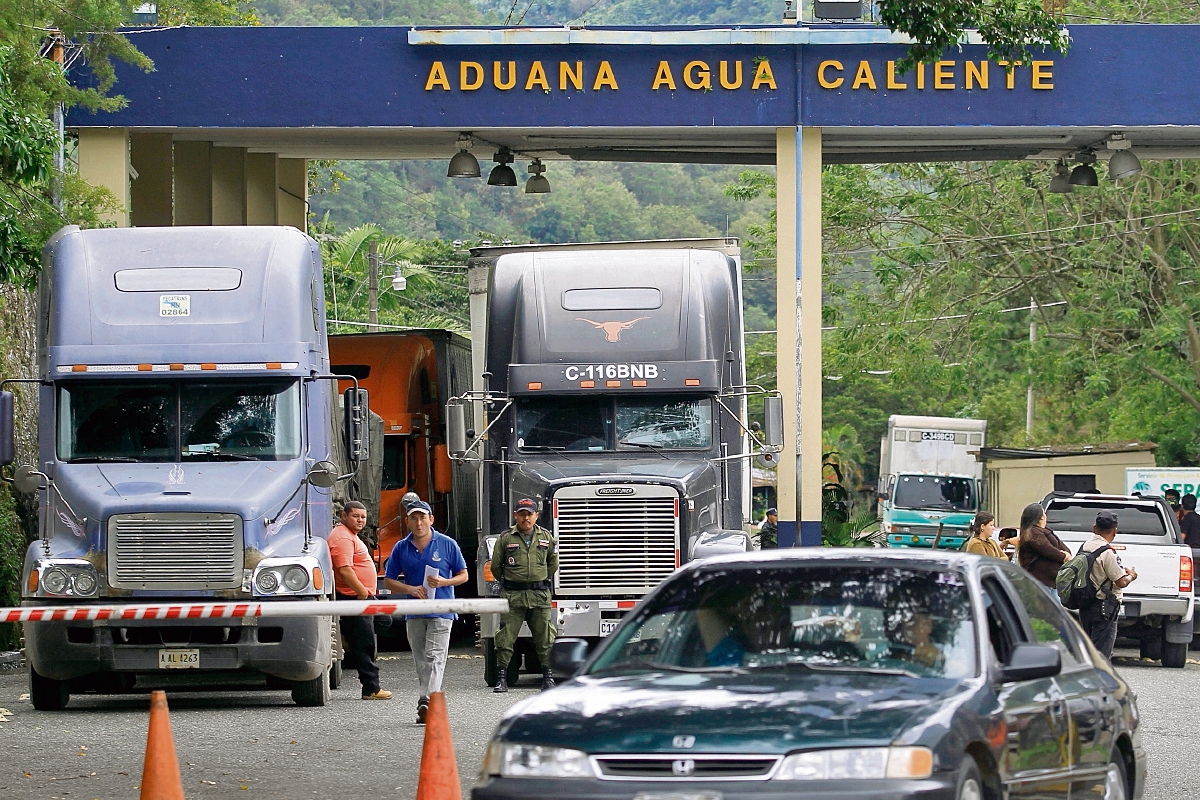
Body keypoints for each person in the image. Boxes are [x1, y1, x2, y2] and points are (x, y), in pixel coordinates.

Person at [384, 500, 468, 723]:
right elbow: (389, 581)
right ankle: (428, 701)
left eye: (423, 517)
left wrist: (443, 582)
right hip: (414, 610)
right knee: (421, 658)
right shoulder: (401, 547)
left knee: (435, 657)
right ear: (407, 522)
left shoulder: (447, 544)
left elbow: (464, 575)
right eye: (414, 518)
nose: (419, 522)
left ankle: (426, 699)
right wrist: (410, 588)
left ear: (431, 520)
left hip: (442, 610)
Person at [491, 498, 558, 693]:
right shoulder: (506, 538)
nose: (525, 517)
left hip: (539, 595)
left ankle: (548, 677)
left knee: (545, 638)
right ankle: (501, 678)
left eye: (529, 514)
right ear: (515, 515)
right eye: (522, 514)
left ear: (536, 516)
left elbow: (553, 564)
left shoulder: (546, 537)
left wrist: (538, 578)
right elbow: (496, 566)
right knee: (505, 638)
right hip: (513, 595)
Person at [329, 501, 392, 700]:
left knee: (384, 620)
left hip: (363, 596)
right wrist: (361, 592)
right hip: (354, 596)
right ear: (344, 516)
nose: (360, 520)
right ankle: (371, 689)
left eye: (363, 517)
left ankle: (348, 640)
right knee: (365, 644)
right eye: (355, 516)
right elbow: (344, 570)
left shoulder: (350, 536)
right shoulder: (342, 538)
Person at [1079, 510, 1138, 658]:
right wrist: (1131, 575)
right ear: (1114, 531)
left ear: (1094, 528)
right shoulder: (1108, 553)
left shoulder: (1084, 547)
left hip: (1085, 605)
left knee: (1087, 652)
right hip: (1104, 609)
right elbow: (1121, 581)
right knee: (1102, 655)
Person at [1017, 502, 1071, 589]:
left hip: (1052, 580)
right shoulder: (1033, 532)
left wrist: (1067, 553)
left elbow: (1061, 545)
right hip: (1040, 580)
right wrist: (1063, 556)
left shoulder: (1046, 531)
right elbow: (1048, 550)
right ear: (1041, 517)